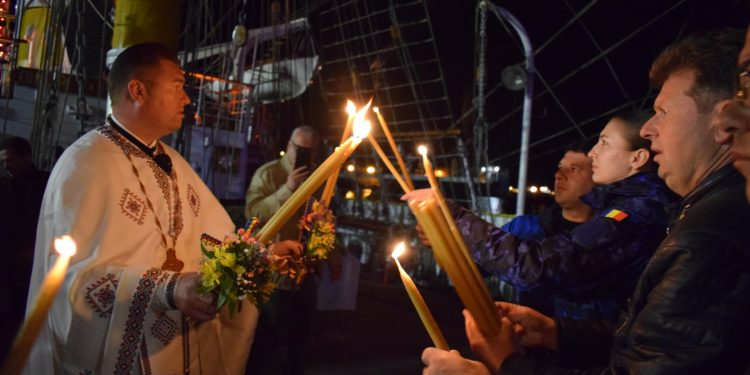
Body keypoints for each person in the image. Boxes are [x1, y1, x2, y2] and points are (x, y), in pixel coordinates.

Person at [423, 28, 750, 374]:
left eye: (663, 112)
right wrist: (558, 333)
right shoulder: (689, 213)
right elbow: (644, 339)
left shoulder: (695, 230)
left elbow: (540, 268)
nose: (650, 128)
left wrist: (504, 366)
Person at [23, 42, 297, 374]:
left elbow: (216, 242)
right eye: (178, 87)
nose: (186, 98)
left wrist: (262, 257)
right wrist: (165, 289)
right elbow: (73, 282)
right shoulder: (86, 164)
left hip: (177, 348)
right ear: (138, 90)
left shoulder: (173, 162)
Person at [406, 110, 674, 321]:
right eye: (560, 167)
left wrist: (455, 218)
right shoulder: (532, 226)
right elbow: (474, 269)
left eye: (603, 143)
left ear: (637, 158)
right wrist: (444, 238)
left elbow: (535, 267)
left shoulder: (632, 217)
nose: (593, 153)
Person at [244, 125, 323, 375]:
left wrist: (332, 254)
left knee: (301, 342)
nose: (302, 155)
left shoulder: (317, 179)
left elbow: (322, 221)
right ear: (289, 146)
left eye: (308, 152)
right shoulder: (268, 175)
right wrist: (287, 189)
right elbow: (253, 214)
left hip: (305, 272)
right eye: (298, 149)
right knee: (267, 341)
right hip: (274, 274)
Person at [500, 140, 595, 316]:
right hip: (523, 340)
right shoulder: (525, 228)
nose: (559, 175)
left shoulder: (611, 237)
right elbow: (472, 264)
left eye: (574, 169)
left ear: (597, 177)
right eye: (560, 167)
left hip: (590, 342)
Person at [0, 136, 49, 360]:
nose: (6, 166)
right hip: (7, 259)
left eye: (10, 160)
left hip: (33, 259)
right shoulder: (4, 186)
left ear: (26, 157)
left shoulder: (45, 184)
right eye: (3, 162)